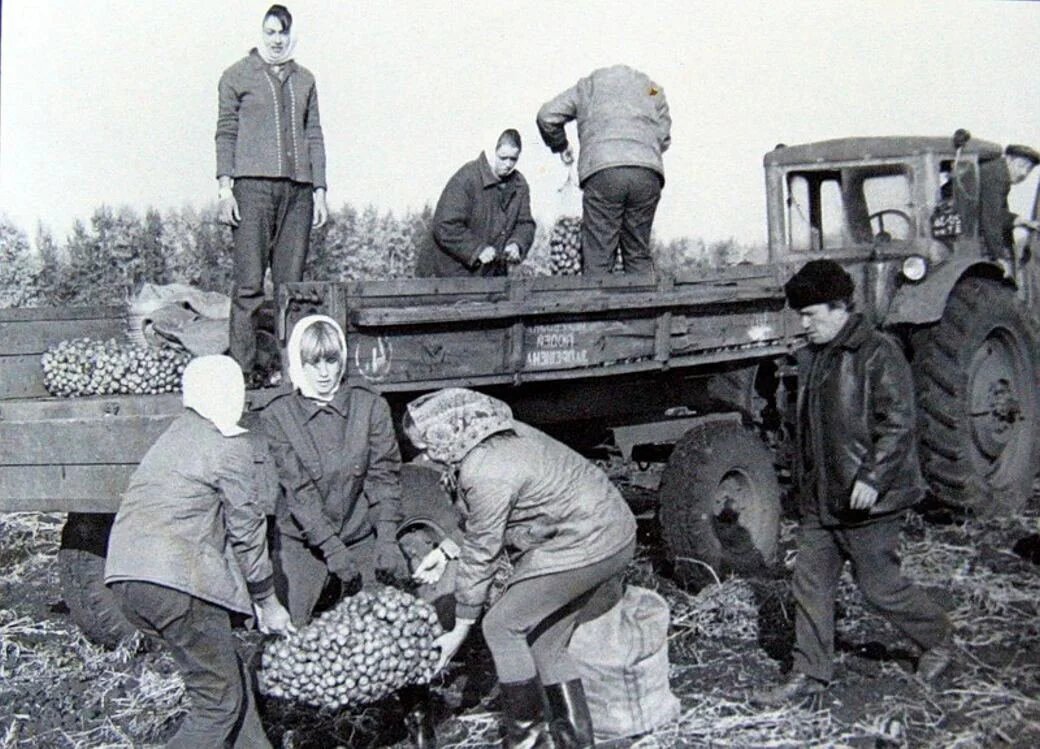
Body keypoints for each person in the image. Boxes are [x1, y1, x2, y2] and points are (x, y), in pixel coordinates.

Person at [751, 260, 953, 707]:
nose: (804, 323)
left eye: (812, 314)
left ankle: (937, 638)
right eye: (801, 315)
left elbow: (899, 422)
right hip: (822, 499)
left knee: (879, 587)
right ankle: (809, 673)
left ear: (840, 307)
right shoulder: (813, 358)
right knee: (809, 584)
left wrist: (873, 477)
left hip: (868, 501)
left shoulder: (878, 352)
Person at [403, 388, 636, 747]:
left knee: (501, 625)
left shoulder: (484, 468)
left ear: (448, 431)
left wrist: (461, 626)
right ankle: (575, 742)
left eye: (429, 445)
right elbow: (488, 518)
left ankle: (527, 741)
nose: (426, 455)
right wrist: (447, 549)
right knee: (546, 644)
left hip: (587, 541)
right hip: (607, 531)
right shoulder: (491, 435)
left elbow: (484, 547)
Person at [260, 316, 436, 746]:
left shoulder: (369, 406)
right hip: (303, 541)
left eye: (331, 360)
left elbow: (383, 477)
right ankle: (279, 728)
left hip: (360, 534)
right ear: (297, 364)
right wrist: (330, 549)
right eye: (313, 362)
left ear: (342, 359)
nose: (324, 372)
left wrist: (388, 537)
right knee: (287, 635)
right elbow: (298, 492)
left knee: (391, 624)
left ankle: (417, 722)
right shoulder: (279, 415)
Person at [105, 355, 294, 749]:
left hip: (128, 577)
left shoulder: (175, 435)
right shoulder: (227, 446)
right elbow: (247, 531)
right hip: (176, 581)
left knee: (227, 678)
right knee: (217, 704)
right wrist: (268, 601)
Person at [216, 4, 328, 380]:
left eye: (282, 32)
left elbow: (314, 135)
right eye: (270, 32)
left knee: (290, 289)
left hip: (297, 194)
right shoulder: (236, 76)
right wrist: (225, 188)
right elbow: (226, 133)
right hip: (252, 190)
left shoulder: (306, 80)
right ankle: (240, 377)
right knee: (249, 286)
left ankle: (291, 374)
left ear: (290, 35)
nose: (276, 40)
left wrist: (320, 190)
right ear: (259, 34)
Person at [536, 64, 671, 275]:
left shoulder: (588, 86)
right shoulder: (648, 87)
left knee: (598, 257)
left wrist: (560, 145)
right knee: (638, 253)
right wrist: (649, 147)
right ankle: (645, 307)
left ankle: (597, 306)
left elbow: (547, 115)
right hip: (647, 173)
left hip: (604, 174)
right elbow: (662, 114)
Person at [415, 129, 536, 277]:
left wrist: (517, 243)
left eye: (513, 159)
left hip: (489, 277)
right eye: (503, 158)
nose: (508, 164)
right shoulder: (466, 179)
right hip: (447, 275)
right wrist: (477, 250)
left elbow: (525, 223)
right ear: (492, 153)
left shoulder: (519, 185)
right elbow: (445, 225)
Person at [979, 144, 1040, 262]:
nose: (1023, 173)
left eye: (1029, 169)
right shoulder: (997, 175)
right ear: (1008, 159)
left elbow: (996, 211)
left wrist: (1021, 221)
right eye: (1021, 166)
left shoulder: (996, 170)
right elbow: (991, 219)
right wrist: (998, 257)